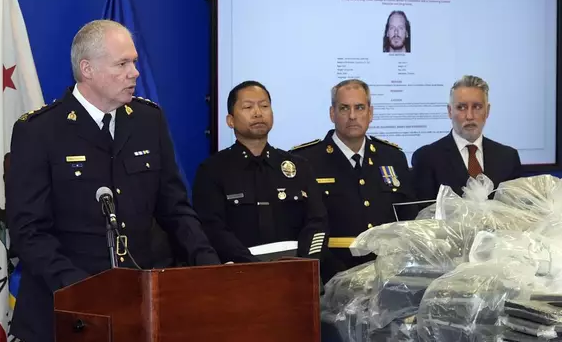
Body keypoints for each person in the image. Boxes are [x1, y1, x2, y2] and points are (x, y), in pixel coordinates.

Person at [6, 20, 220, 342]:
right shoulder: (39, 132)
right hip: (62, 313)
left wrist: (212, 267)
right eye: (123, 63)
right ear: (87, 69)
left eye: (133, 62)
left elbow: (175, 209)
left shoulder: (149, 120)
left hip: (139, 310)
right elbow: (28, 232)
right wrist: (83, 290)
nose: (135, 72)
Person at [291, 79, 416, 283]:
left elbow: (407, 219)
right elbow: (303, 228)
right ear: (332, 114)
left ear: (370, 113)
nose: (352, 116)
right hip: (333, 274)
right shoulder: (307, 161)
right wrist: (335, 275)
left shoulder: (393, 157)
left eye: (359, 108)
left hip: (388, 274)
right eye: (344, 108)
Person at [192, 81, 328, 264]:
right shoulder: (212, 171)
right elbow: (212, 229)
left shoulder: (299, 167)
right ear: (230, 120)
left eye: (264, 106)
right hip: (240, 275)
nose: (258, 113)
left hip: (298, 272)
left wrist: (306, 262)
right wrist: (253, 267)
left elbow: (317, 222)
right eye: (248, 107)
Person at [412, 75, 522, 200]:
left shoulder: (508, 157)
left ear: (487, 111)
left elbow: (515, 211)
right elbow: (422, 214)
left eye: (477, 107)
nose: (469, 116)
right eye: (461, 107)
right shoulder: (427, 158)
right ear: (450, 111)